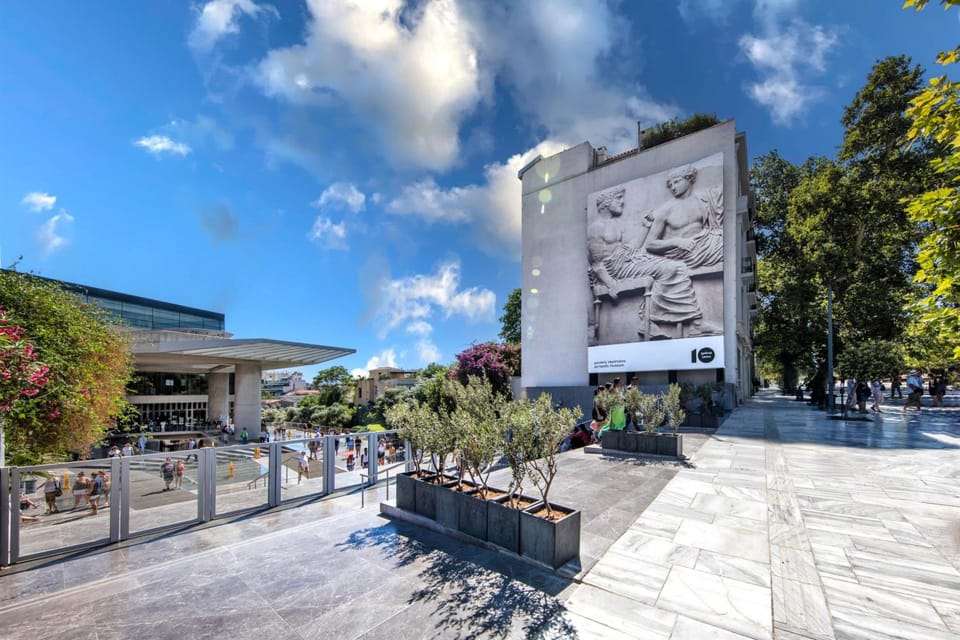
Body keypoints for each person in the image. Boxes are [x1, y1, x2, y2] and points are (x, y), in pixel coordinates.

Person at [587, 186, 711, 341]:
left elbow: (630, 248)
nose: (622, 202)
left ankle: (693, 323)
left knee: (678, 266)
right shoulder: (595, 228)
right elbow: (597, 264)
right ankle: (653, 321)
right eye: (618, 198)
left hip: (627, 260)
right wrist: (611, 284)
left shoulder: (616, 224)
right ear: (605, 203)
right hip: (614, 269)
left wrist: (645, 227)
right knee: (669, 268)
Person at [643, 164, 724, 270]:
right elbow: (649, 244)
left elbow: (721, 192)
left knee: (722, 242)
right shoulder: (665, 210)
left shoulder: (703, 200)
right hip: (681, 253)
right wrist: (677, 242)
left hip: (704, 245)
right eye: (670, 185)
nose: (673, 187)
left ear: (689, 179)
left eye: (676, 182)